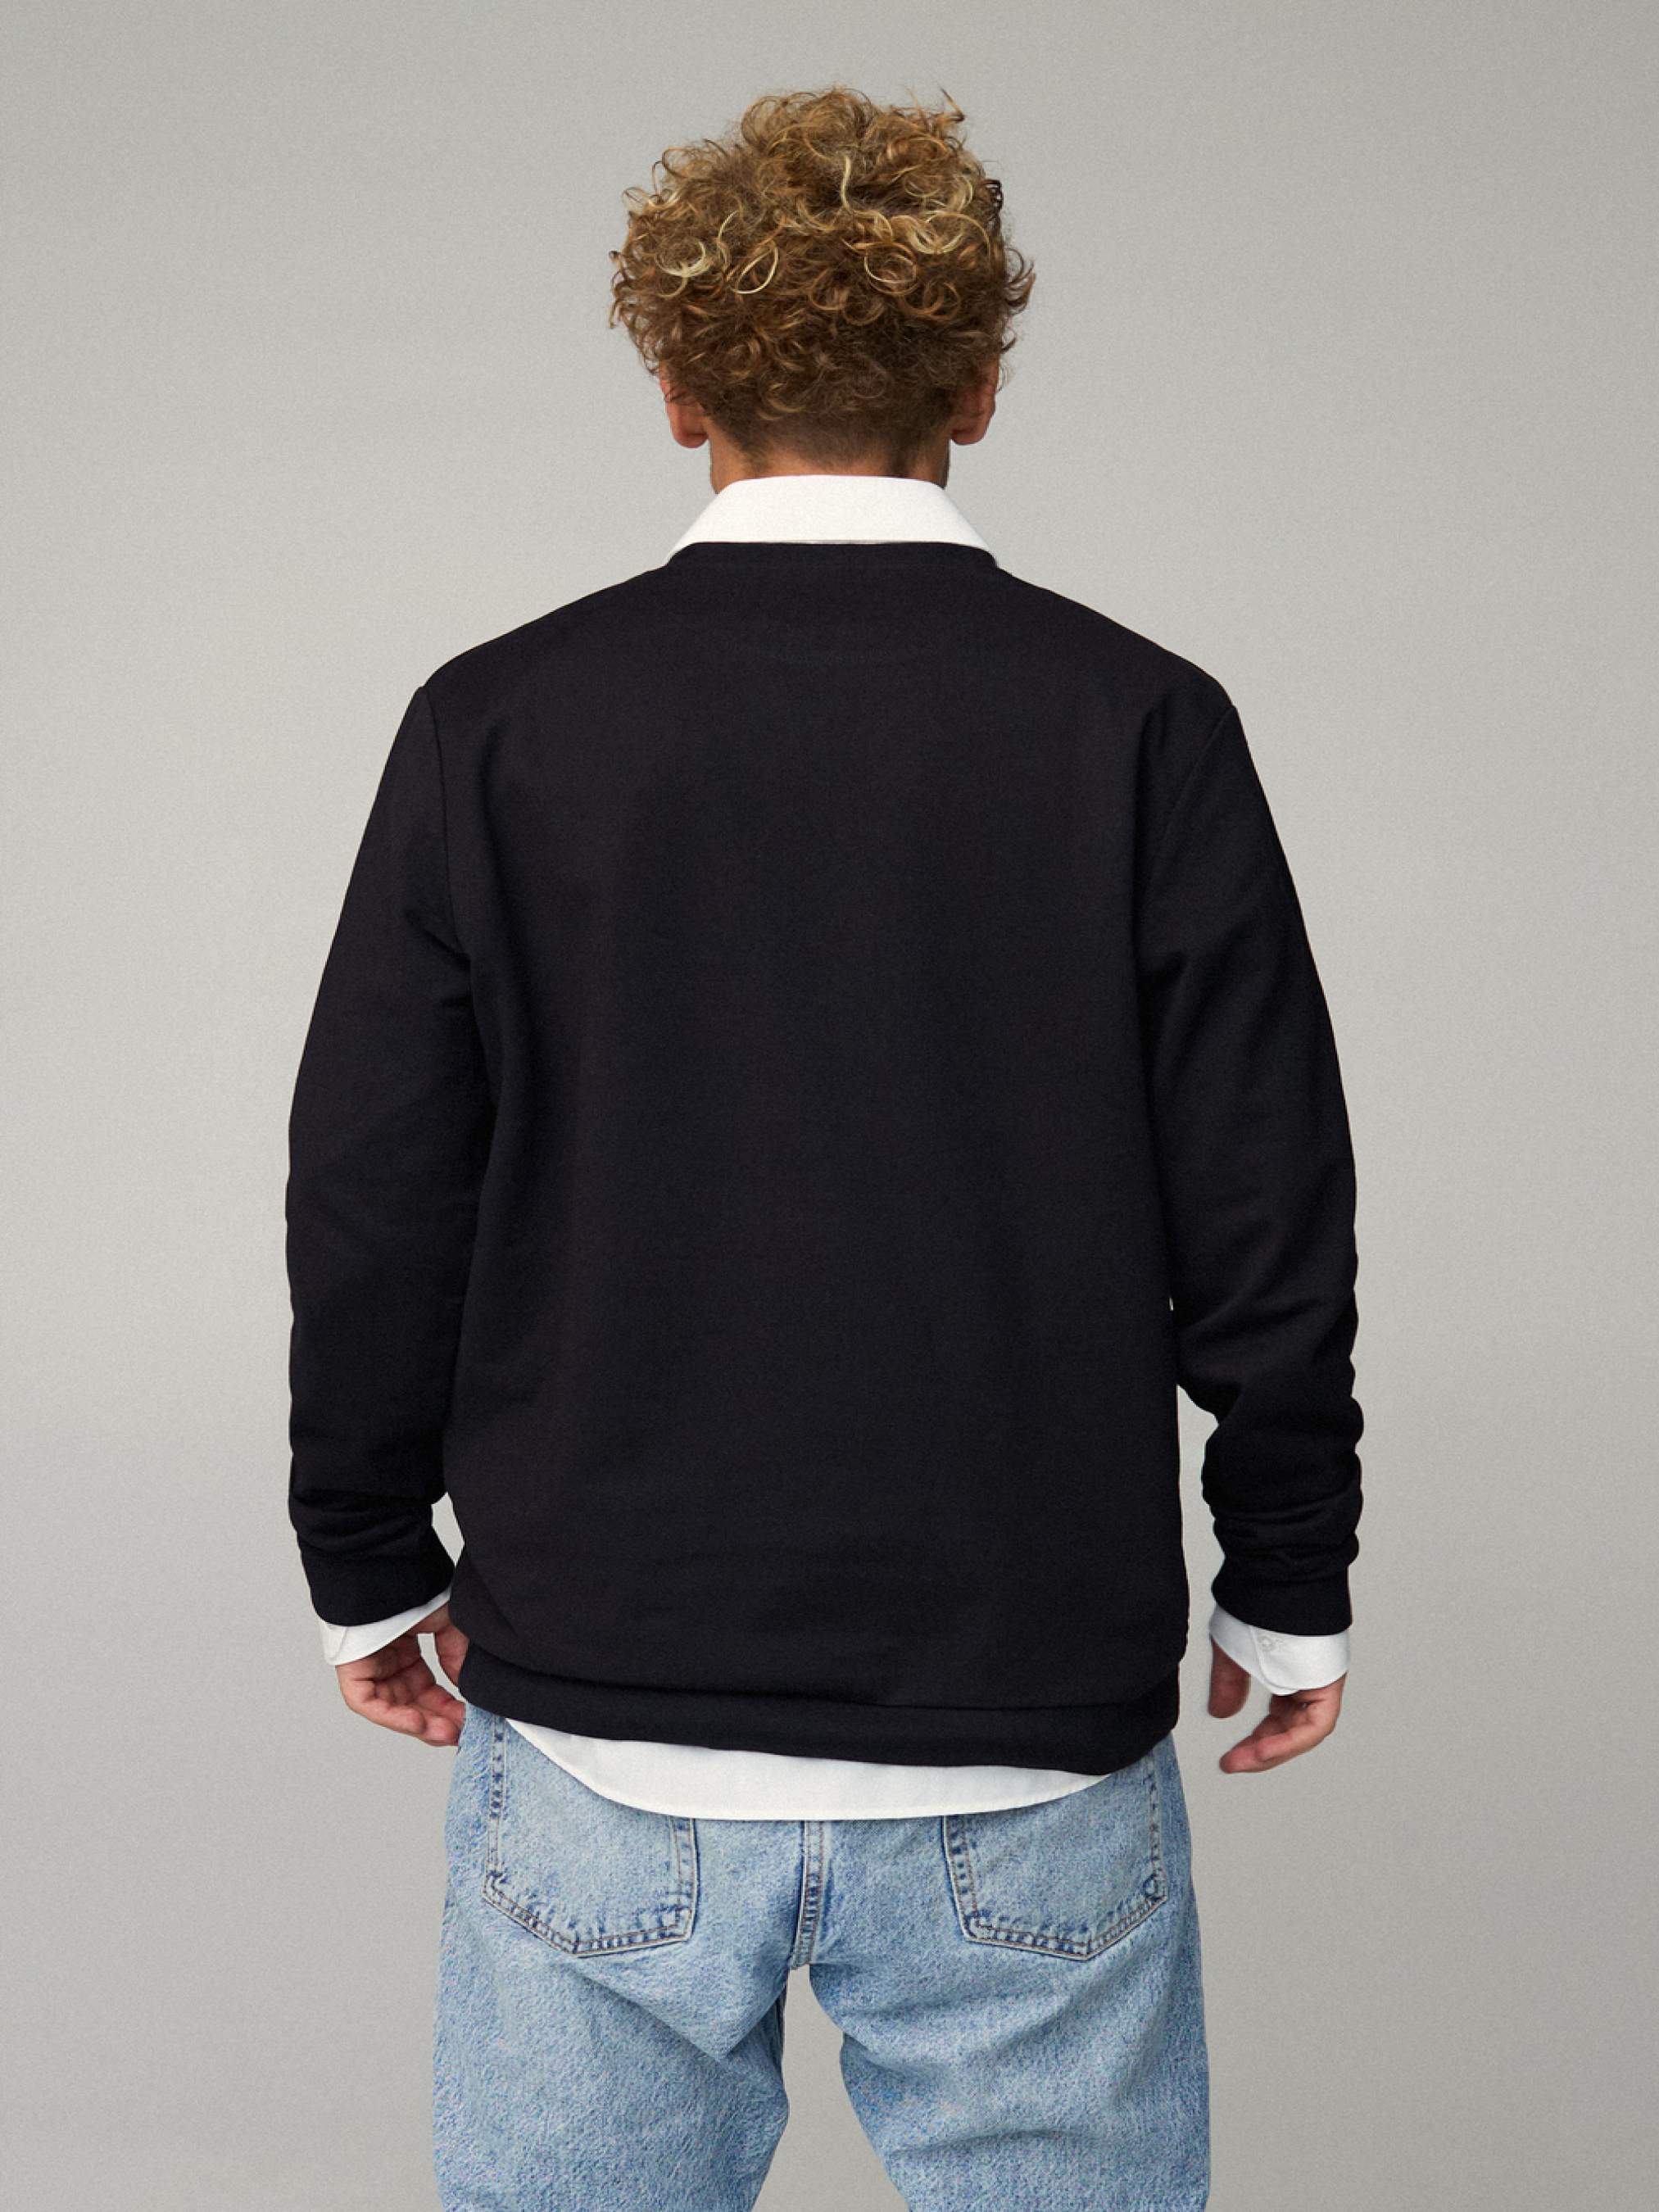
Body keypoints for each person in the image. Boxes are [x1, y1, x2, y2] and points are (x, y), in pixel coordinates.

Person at [286, 85, 1362, 2212]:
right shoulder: (1138, 721)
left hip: (599, 1725)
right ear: (976, 384)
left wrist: (365, 1555)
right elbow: (1263, 1190)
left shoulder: (499, 724)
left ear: (676, 388)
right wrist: (1288, 1571)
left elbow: (377, 1184)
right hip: (1025, 1729)